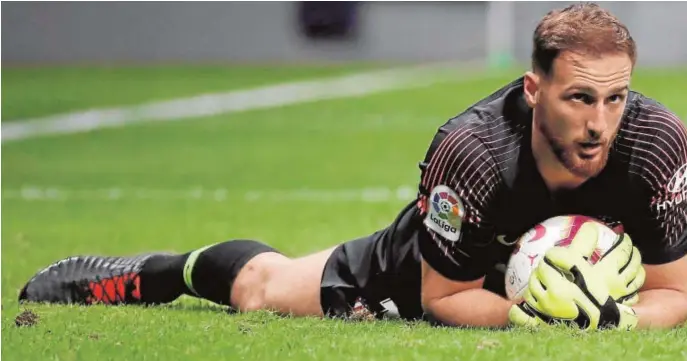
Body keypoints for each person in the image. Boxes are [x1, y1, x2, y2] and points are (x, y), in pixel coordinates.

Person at [19, 3, 687, 330]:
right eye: (578, 98)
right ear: (533, 89)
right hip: (436, 265)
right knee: (263, 288)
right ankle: (150, 273)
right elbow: (442, 297)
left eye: (615, 97)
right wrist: (535, 319)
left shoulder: (654, 144)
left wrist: (610, 321)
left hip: (558, 282)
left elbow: (674, 291)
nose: (599, 122)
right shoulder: (473, 151)